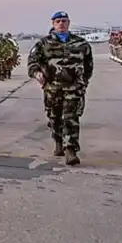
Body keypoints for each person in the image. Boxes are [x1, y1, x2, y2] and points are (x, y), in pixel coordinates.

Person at [27, 11, 93, 166]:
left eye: (64, 21)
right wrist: (37, 73)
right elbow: (32, 62)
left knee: (71, 118)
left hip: (73, 88)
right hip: (52, 88)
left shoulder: (81, 44)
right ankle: (58, 141)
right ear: (53, 24)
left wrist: (83, 82)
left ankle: (70, 150)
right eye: (58, 21)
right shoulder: (44, 43)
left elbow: (88, 65)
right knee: (54, 117)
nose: (61, 23)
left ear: (68, 23)